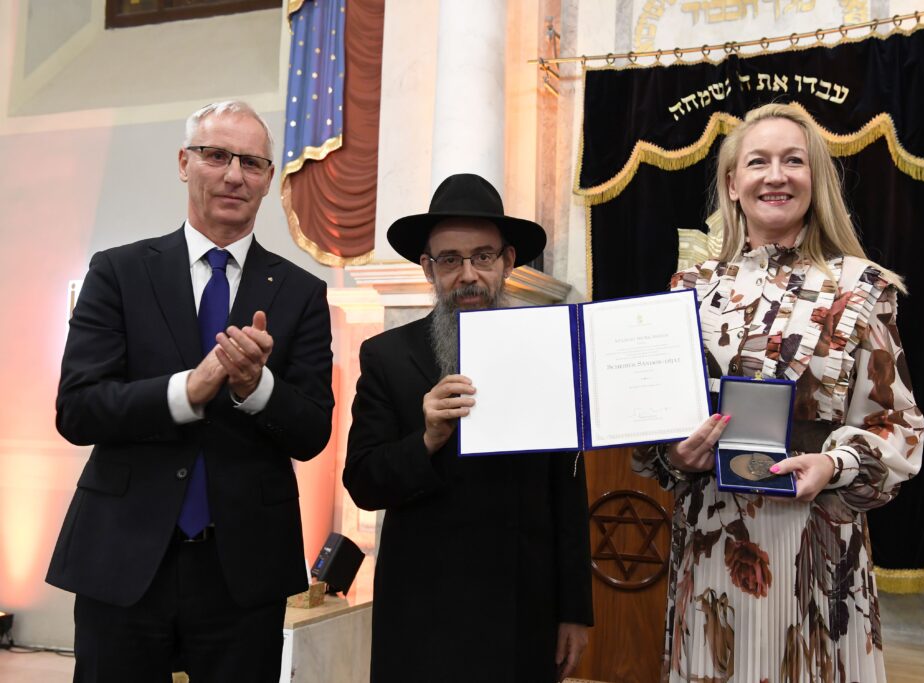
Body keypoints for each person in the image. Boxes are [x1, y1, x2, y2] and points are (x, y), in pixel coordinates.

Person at [633, 103, 924, 682]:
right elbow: (655, 424)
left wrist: (834, 464)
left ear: (815, 180)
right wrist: (674, 455)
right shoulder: (688, 290)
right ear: (732, 184)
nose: (775, 176)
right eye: (758, 162)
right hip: (712, 543)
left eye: (793, 161)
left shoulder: (861, 287)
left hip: (817, 545)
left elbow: (900, 425)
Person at [46, 101, 335, 682]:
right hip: (123, 554)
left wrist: (256, 388)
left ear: (269, 179)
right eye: (216, 155)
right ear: (184, 163)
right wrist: (188, 390)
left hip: (244, 568)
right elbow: (78, 410)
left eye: (251, 163)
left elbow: (312, 432)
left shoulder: (301, 292)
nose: (234, 175)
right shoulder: (119, 272)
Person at [343, 173, 593, 683]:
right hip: (423, 612)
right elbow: (364, 482)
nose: (468, 275)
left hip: (522, 609)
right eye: (450, 260)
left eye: (483, 256)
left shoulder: (545, 351)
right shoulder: (387, 357)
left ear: (507, 261)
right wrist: (426, 439)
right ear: (428, 268)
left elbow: (567, 491)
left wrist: (575, 609)